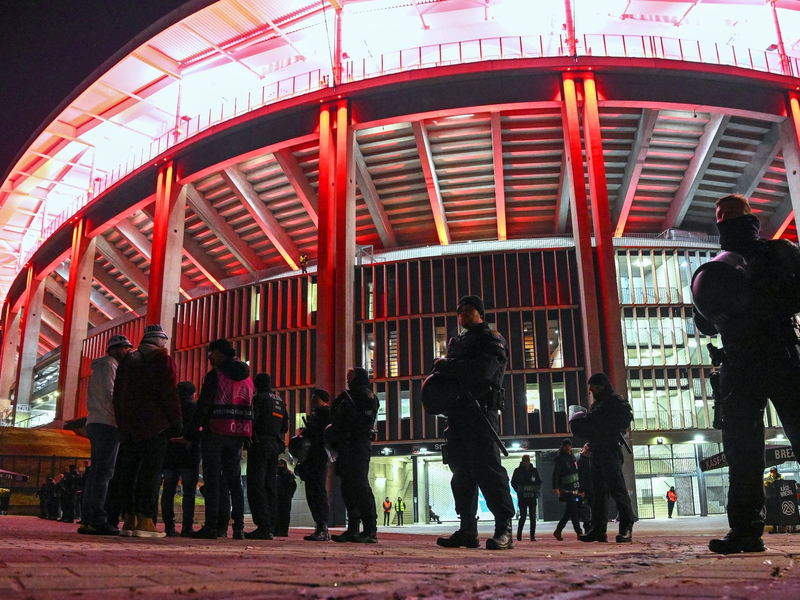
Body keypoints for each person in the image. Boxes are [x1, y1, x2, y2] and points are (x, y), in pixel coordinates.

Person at [692, 194, 800, 554]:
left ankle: (746, 530)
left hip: (750, 359)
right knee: (749, 446)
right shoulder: (777, 252)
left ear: (722, 221)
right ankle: (744, 532)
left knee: (743, 450)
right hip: (772, 355)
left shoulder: (740, 260)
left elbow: (706, 323)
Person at [434, 295, 516, 551]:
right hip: (457, 414)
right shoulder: (460, 343)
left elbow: (482, 372)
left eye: (468, 311)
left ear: (480, 314)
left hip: (481, 412)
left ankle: (504, 529)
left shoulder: (492, 340)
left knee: (488, 470)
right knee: (461, 474)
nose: (463, 316)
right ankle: (468, 529)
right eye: (459, 312)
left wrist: (449, 364)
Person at [113, 324, 182, 538]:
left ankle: (129, 521)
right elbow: (169, 392)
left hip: (130, 426)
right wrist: (176, 422)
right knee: (150, 473)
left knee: (129, 472)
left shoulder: (128, 361)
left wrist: (122, 423)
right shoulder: (163, 359)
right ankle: (146, 521)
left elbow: (117, 395)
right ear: (160, 341)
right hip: (155, 425)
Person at [187, 338, 254, 540]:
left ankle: (212, 526)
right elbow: (252, 408)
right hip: (238, 434)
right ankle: (239, 528)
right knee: (234, 482)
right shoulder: (248, 380)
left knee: (213, 480)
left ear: (222, 353)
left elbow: (203, 407)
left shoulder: (215, 376)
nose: (209, 356)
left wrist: (190, 434)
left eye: (212, 352)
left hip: (215, 433)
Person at [79, 334, 133, 536]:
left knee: (96, 473)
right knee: (103, 474)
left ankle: (88, 519)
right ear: (113, 349)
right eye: (124, 348)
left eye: (128, 348)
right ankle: (97, 519)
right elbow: (112, 396)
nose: (127, 351)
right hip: (107, 424)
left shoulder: (102, 366)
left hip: (96, 422)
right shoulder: (110, 365)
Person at [578, 372, 637, 544]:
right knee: (598, 494)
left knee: (617, 490)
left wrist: (606, 423)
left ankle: (626, 527)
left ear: (601, 385)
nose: (591, 390)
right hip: (596, 451)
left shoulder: (615, 401)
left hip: (610, 449)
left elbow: (625, 420)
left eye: (593, 386)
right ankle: (598, 530)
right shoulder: (597, 404)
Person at [329, 367, 380, 544]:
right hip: (345, 445)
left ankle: (370, 529)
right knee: (347, 487)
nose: (348, 379)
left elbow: (364, 420)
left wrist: (349, 414)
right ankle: (352, 529)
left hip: (359, 443)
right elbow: (333, 416)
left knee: (359, 484)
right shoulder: (345, 396)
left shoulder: (367, 396)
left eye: (351, 376)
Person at [246, 372, 288, 540]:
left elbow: (251, 421)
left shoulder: (258, 399)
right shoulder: (279, 401)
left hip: (260, 444)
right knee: (270, 485)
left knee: (257, 484)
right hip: (274, 446)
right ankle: (270, 525)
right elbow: (284, 427)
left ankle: (262, 525)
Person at [160, 381, 201, 537]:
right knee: (189, 491)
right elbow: (200, 427)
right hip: (189, 453)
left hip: (170, 452)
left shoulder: (169, 407)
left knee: (168, 490)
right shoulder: (195, 407)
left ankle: (169, 527)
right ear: (193, 393)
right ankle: (187, 527)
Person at [300, 388, 332, 542]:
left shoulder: (326, 414)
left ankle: (323, 527)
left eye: (314, 397)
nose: (312, 400)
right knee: (312, 491)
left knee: (318, 491)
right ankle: (319, 526)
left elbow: (321, 436)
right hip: (311, 457)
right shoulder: (317, 415)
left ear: (320, 398)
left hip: (319, 457)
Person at [552, 440, 582, 541]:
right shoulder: (560, 459)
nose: (567, 447)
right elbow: (555, 474)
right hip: (566, 490)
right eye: (565, 445)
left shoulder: (573, 458)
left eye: (569, 445)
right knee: (573, 511)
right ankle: (579, 532)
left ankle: (558, 530)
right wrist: (556, 488)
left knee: (569, 512)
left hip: (574, 489)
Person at [511, 454, 541, 541]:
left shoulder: (534, 471)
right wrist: (518, 490)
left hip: (532, 497)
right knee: (523, 516)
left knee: (533, 516)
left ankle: (532, 536)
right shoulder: (517, 471)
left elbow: (538, 482)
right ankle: (519, 535)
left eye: (527, 461)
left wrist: (536, 490)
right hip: (522, 497)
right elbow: (513, 483)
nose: (525, 463)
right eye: (524, 461)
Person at [274, 459, 297, 536]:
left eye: (281, 464)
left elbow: (294, 485)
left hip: (285, 497)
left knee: (285, 514)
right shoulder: (275, 475)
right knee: (276, 514)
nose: (279, 466)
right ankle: (276, 530)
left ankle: (284, 531)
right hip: (277, 497)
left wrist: (290, 494)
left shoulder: (288, 474)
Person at [577, 444, 593, 533]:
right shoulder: (583, 462)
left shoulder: (585, 461)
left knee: (588, 508)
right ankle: (588, 526)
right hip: (587, 488)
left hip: (590, 488)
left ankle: (589, 526)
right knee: (585, 508)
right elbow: (581, 477)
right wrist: (581, 489)